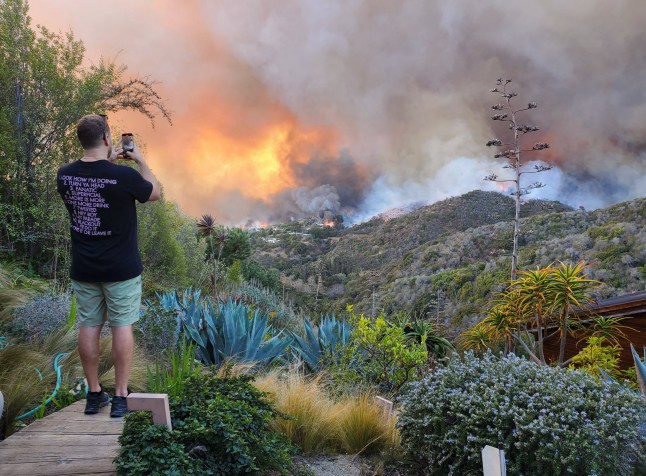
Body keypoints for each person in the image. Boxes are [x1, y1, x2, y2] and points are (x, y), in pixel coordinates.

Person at [57, 114, 160, 417]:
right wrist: (140, 161)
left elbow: (93, 182)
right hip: (121, 270)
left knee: (89, 326)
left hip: (85, 268)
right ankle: (119, 398)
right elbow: (153, 193)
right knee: (121, 327)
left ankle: (93, 394)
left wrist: (108, 163)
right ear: (106, 138)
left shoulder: (64, 175)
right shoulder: (124, 177)